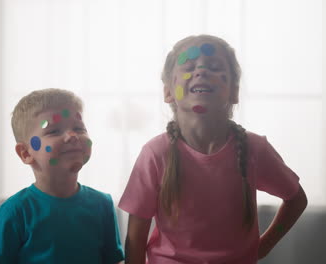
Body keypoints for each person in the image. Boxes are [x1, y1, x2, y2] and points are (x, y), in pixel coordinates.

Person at [118, 35, 307, 264]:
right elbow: (135, 239)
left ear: (234, 92)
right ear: (168, 92)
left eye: (214, 67)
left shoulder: (254, 149)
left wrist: (263, 246)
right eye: (189, 67)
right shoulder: (155, 154)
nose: (201, 71)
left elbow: (296, 199)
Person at [0, 88, 124, 264]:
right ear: (25, 152)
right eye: (54, 131)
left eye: (79, 128)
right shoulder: (15, 211)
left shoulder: (102, 205)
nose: (72, 136)